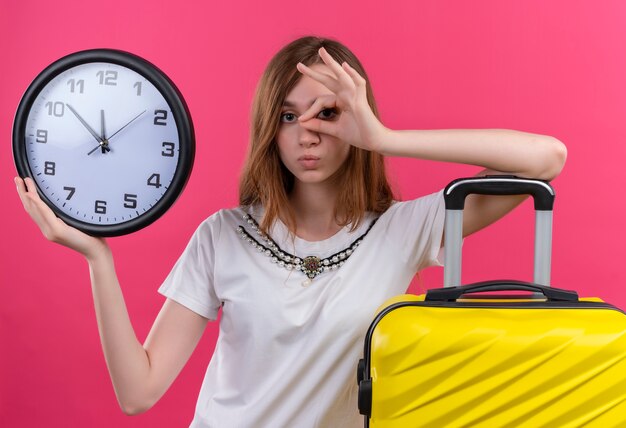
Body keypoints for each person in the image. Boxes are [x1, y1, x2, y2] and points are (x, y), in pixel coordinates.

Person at [15, 36, 567, 427]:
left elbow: (546, 158)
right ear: (267, 129)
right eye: (287, 116)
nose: (307, 133)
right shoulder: (223, 236)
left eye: (327, 113)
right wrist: (97, 259)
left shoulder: (406, 229)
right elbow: (139, 393)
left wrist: (383, 136)